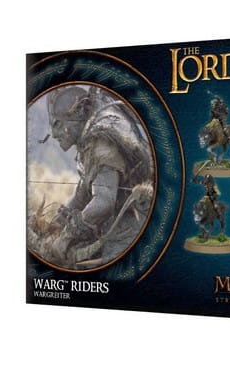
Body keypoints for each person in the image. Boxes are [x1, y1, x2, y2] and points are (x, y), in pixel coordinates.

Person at [30, 85, 153, 267]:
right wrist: (57, 224)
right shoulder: (89, 142)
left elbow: (103, 202)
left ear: (78, 116)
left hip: (132, 225)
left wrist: (66, 236)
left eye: (58, 124)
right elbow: (83, 194)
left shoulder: (101, 143)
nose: (54, 134)